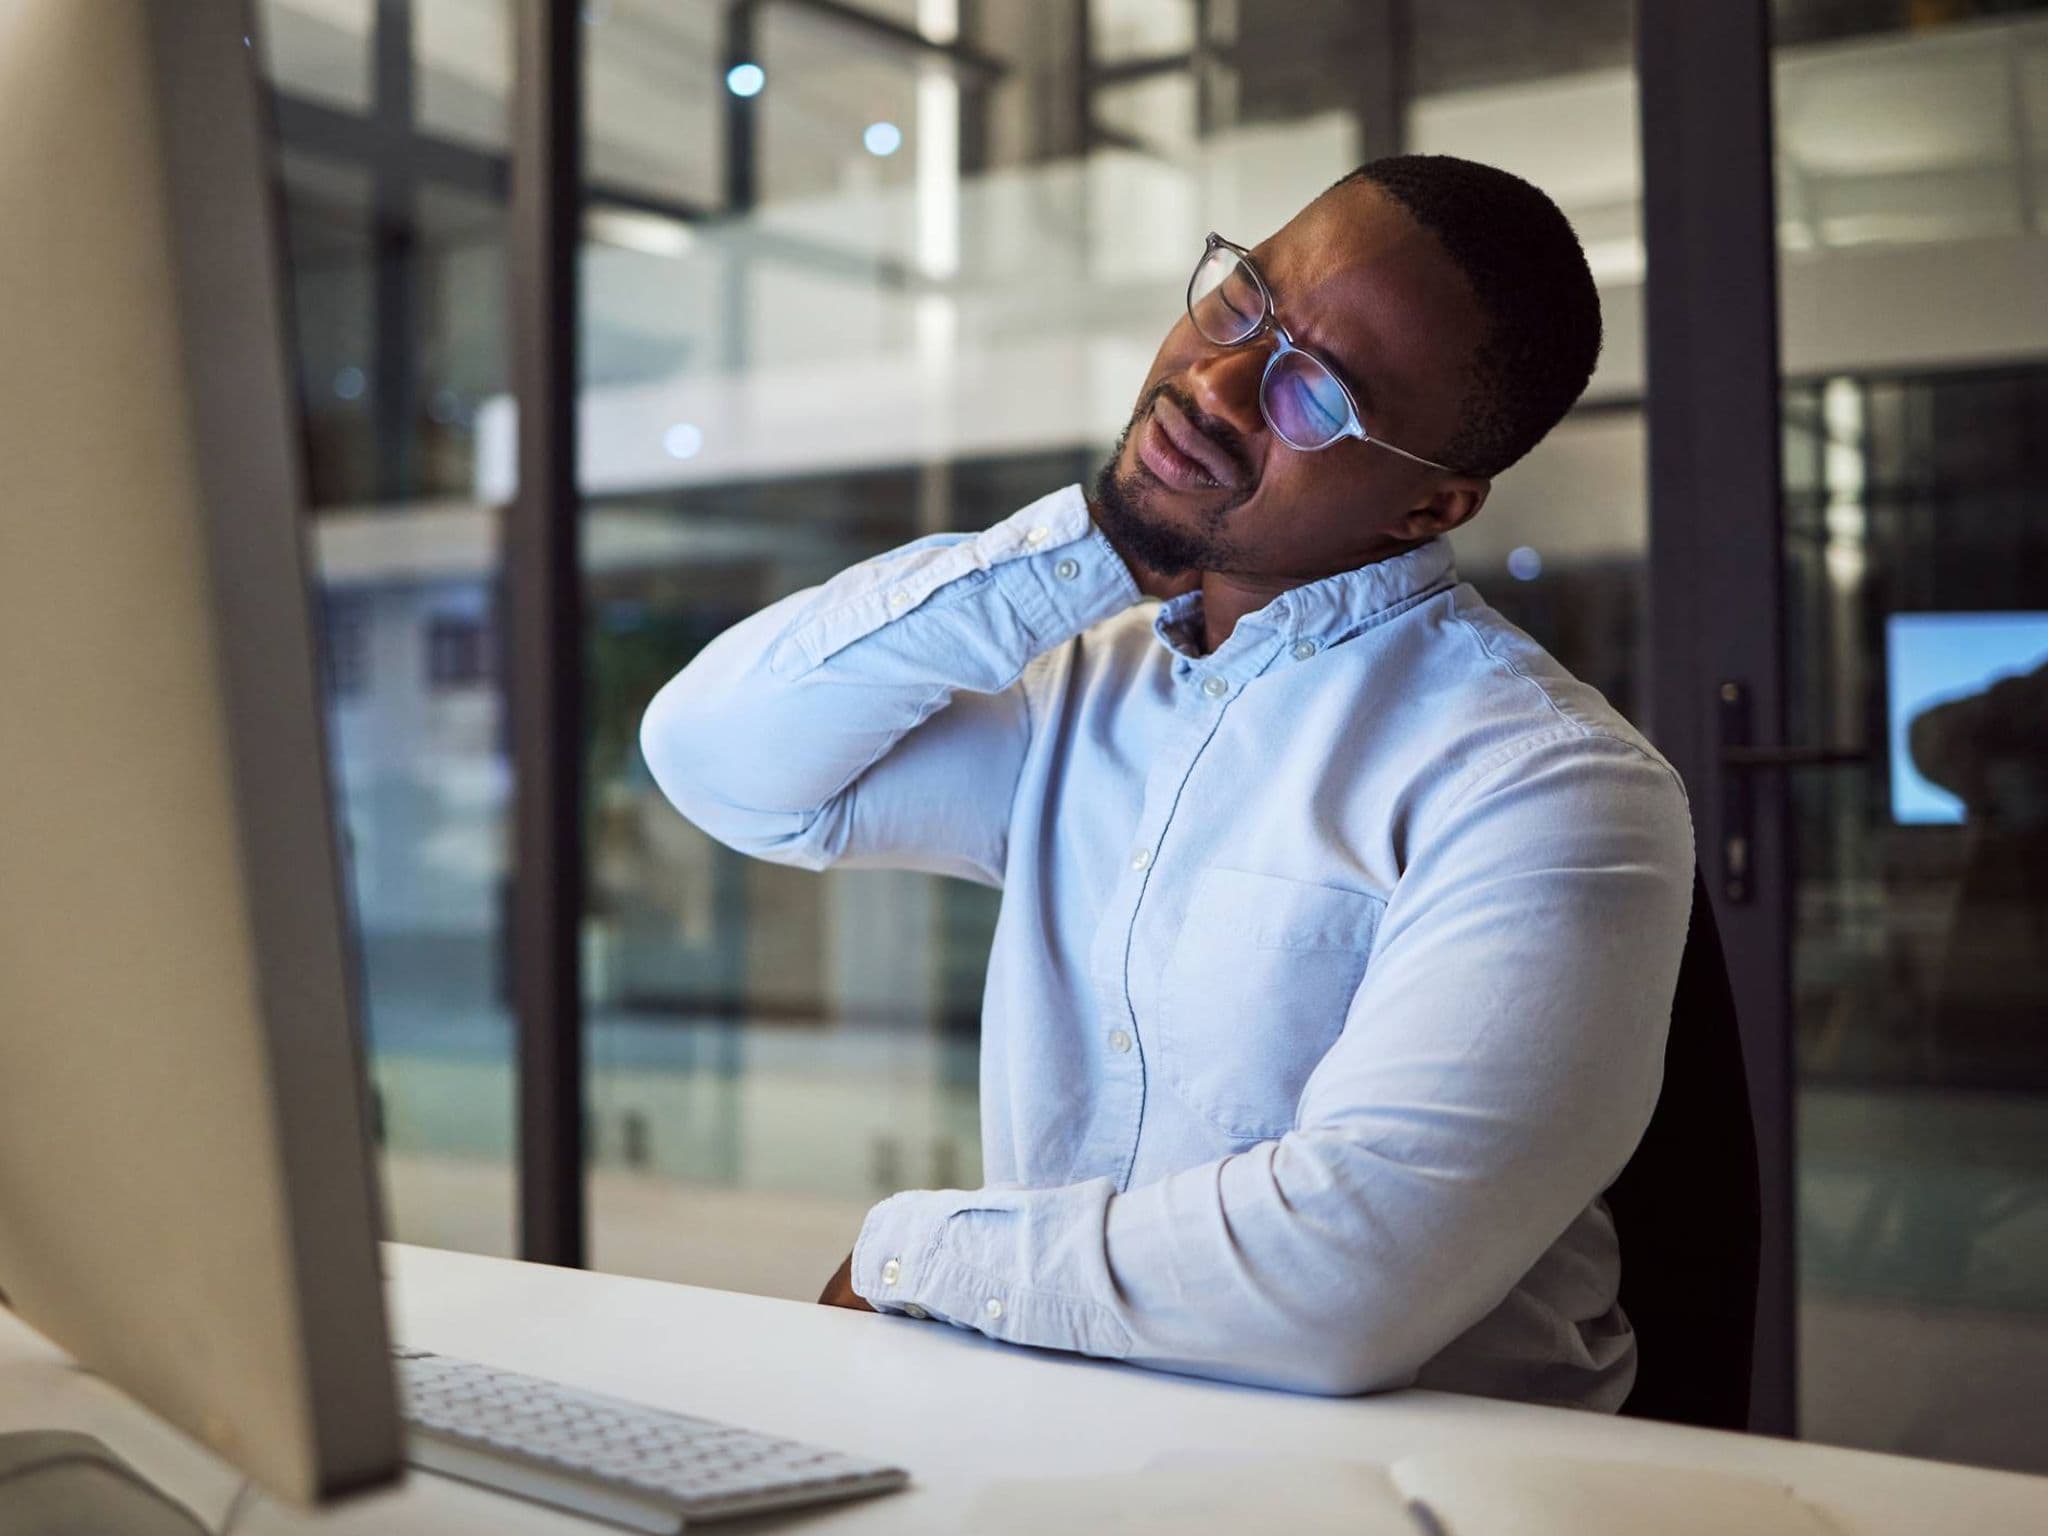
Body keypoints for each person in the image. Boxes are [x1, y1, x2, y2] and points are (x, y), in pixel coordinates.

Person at [641, 155, 1694, 1409]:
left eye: (1317, 395)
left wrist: (909, 1259)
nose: (1215, 380)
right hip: (1070, 1430)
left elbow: (1345, 1284)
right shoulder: (1085, 694)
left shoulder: (1549, 787)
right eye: (1243, 299)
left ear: (1430, 507)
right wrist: (1099, 547)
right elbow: (723, 759)